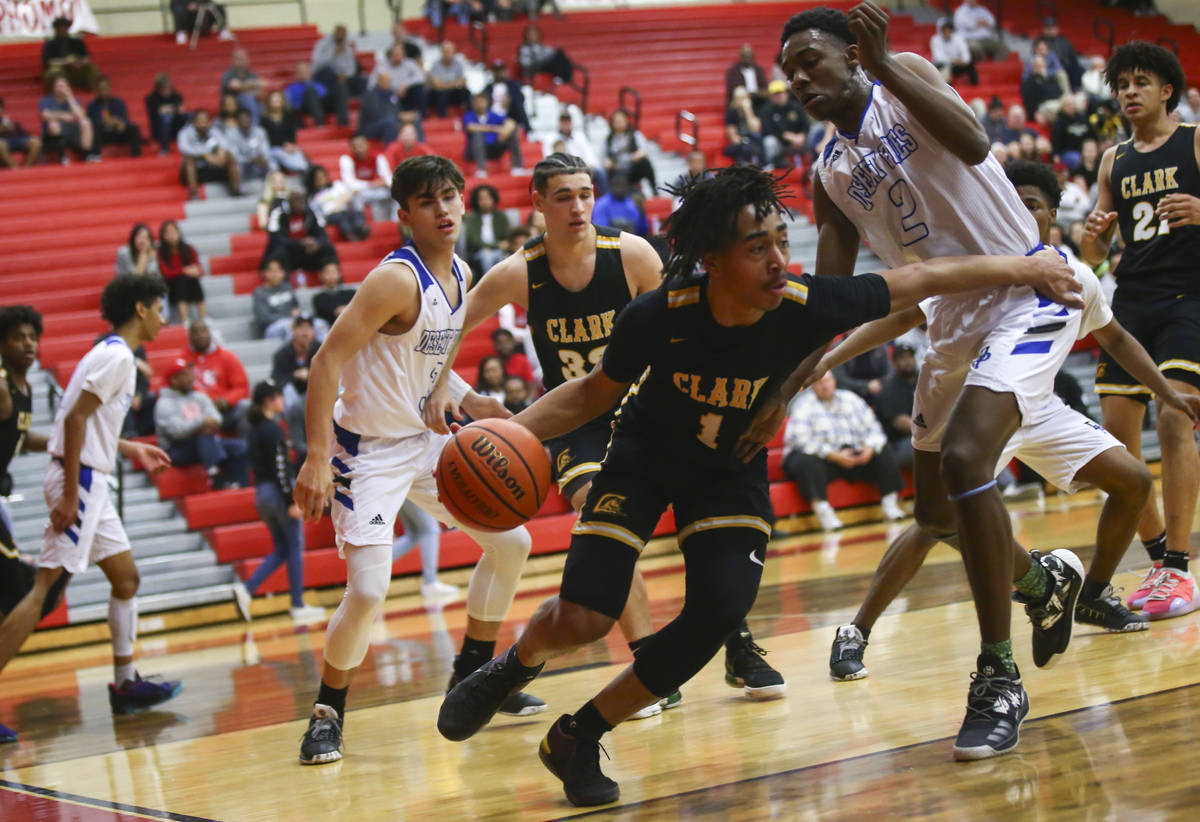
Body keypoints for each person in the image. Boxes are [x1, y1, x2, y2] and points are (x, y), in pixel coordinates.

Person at [436, 164, 1082, 804]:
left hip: (727, 468)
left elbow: (921, 278)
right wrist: (506, 435)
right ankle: (513, 665)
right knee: (583, 615)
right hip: (644, 455)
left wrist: (1029, 268)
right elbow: (591, 394)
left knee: (718, 611)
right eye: (758, 248)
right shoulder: (658, 313)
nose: (779, 259)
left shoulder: (804, 301)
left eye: (780, 239)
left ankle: (579, 734)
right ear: (712, 260)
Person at [767, 4, 1089, 760]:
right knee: (938, 513)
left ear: (852, 53)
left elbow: (977, 143)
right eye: (788, 74)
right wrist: (781, 380)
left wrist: (885, 66)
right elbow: (834, 297)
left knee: (971, 462)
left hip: (1027, 291)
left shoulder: (902, 75)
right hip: (948, 323)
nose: (799, 79)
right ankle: (1043, 588)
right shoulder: (831, 173)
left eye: (811, 60)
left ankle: (997, 677)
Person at [428, 153, 782, 729]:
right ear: (538, 204)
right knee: (601, 514)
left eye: (586, 194)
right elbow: (452, 326)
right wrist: (447, 386)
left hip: (652, 408)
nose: (578, 207)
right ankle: (649, 662)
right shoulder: (520, 271)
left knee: (706, 528)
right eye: (563, 196)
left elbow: (695, 319)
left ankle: (738, 646)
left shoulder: (634, 254)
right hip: (579, 421)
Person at [823, 158, 1200, 682]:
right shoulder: (973, 270)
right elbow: (899, 318)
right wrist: (826, 359)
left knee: (1134, 481)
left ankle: (1088, 596)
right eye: (1012, 202)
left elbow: (1115, 338)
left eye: (1033, 204)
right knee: (934, 522)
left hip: (1038, 407)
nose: (1021, 211)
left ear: (1049, 215)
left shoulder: (1077, 275)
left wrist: (1167, 392)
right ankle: (858, 629)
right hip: (978, 406)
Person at [291, 155, 541, 766]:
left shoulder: (459, 270)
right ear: (405, 215)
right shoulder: (395, 281)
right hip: (368, 453)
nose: (447, 208)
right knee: (371, 589)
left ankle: (475, 676)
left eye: (453, 195)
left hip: (423, 445)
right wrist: (317, 457)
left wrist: (468, 397)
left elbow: (423, 360)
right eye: (430, 201)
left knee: (513, 543)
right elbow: (326, 363)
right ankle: (327, 714)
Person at [0, 275, 182, 726]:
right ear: (140, 309)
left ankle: (125, 684)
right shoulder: (119, 355)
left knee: (127, 579)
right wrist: (68, 496)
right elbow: (77, 420)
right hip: (79, 481)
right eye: (160, 308)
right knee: (42, 593)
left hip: (88, 478)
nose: (164, 317)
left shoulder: (107, 350)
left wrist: (129, 447)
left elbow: (76, 419)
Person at [1081, 42, 1200, 620]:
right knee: (1116, 434)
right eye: (1121, 83)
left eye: (1140, 82)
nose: (1129, 92)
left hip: (1190, 300)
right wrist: (1094, 236)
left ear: (1166, 90)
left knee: (1176, 415)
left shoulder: (1196, 141)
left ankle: (1179, 565)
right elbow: (1097, 252)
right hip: (1133, 302)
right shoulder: (1112, 160)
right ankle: (1157, 559)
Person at [0, 306, 69, 742]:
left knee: (26, 597)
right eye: (18, 337)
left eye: (33, 336)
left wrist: (75, 443)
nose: (28, 343)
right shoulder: (2, 387)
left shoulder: (21, 389)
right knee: (29, 593)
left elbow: (20, 438)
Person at [232, 381, 324, 623]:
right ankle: (297, 604)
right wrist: (291, 500)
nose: (283, 401)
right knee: (294, 546)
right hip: (276, 494)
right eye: (280, 397)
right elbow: (281, 469)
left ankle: (247, 589)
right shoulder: (272, 430)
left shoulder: (254, 429)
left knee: (282, 548)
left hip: (261, 494)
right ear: (270, 400)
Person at [783, 371, 906, 530]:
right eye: (819, 382)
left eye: (827, 381)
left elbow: (875, 430)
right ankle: (824, 512)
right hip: (825, 459)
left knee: (883, 449)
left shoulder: (851, 398)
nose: (824, 385)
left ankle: (890, 504)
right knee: (803, 460)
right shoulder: (803, 404)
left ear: (834, 381)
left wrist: (868, 448)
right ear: (812, 385)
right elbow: (800, 440)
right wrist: (833, 455)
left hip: (855, 456)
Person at [154, 358, 250, 489]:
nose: (189, 378)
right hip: (176, 449)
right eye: (184, 375)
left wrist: (207, 423)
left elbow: (216, 417)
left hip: (207, 442)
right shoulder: (164, 403)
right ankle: (214, 476)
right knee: (204, 435)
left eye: (189, 373)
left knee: (241, 447)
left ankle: (239, 485)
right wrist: (202, 422)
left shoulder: (199, 396)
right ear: (174, 380)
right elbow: (177, 432)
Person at [184, 319, 249, 433]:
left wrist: (226, 400)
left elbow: (241, 387)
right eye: (196, 332)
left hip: (224, 409)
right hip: (197, 412)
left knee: (246, 406)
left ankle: (246, 449)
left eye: (204, 331)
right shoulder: (182, 361)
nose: (201, 335)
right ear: (190, 336)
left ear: (210, 333)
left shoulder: (227, 357)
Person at [264, 190, 340, 285]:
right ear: (289, 201)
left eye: (301, 200)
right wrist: (300, 242)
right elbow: (276, 238)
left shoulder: (312, 211)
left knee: (328, 248)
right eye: (295, 200)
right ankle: (282, 286)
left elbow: (323, 234)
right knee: (278, 252)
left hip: (309, 251)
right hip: (289, 252)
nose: (299, 203)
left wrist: (317, 243)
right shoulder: (279, 212)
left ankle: (334, 282)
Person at [391, 499, 457, 599]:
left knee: (414, 534)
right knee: (430, 531)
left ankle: (371, 567)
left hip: (400, 487)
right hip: (412, 485)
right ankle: (430, 582)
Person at [870, 342, 919, 470]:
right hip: (896, 444)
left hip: (920, 435)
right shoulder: (889, 388)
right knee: (928, 447)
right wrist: (934, 433)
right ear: (894, 364)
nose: (908, 361)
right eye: (902, 358)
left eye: (910, 357)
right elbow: (902, 424)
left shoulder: (923, 379)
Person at [178, 110, 239, 199]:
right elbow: (184, 148)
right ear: (195, 122)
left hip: (214, 166)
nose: (204, 124)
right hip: (197, 169)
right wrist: (204, 155)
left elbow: (226, 145)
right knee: (189, 159)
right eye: (201, 122)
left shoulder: (214, 131)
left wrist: (221, 152)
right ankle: (194, 193)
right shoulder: (185, 133)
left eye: (206, 121)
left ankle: (235, 190)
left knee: (230, 156)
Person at [463, 92, 524, 178]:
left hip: (492, 148)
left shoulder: (493, 115)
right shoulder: (469, 115)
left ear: (487, 102)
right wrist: (495, 129)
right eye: (478, 102)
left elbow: (511, 123)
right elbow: (471, 127)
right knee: (477, 134)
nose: (480, 104)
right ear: (473, 104)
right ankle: (481, 170)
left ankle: (517, 167)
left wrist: (504, 131)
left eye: (482, 101)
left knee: (512, 134)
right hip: (473, 151)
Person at [310, 24, 358, 126]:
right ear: (334, 33)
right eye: (339, 33)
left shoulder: (348, 48)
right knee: (328, 72)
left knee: (344, 87)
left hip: (340, 81)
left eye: (343, 34)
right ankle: (319, 121)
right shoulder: (322, 44)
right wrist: (333, 54)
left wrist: (345, 75)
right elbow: (316, 64)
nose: (341, 36)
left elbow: (352, 69)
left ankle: (343, 122)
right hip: (323, 78)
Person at [307, 164, 369, 243]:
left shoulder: (336, 185)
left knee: (355, 213)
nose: (321, 180)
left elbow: (347, 195)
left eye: (323, 177)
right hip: (329, 215)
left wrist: (339, 204)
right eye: (318, 178)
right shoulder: (313, 197)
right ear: (313, 181)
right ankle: (349, 234)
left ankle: (360, 227)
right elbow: (316, 212)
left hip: (342, 209)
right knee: (340, 217)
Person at [158, 220, 205, 322]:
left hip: (189, 283)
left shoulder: (188, 249)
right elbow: (166, 273)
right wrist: (183, 270)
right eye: (168, 233)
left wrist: (193, 271)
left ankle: (203, 317)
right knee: (180, 280)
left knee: (193, 280)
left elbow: (199, 269)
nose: (171, 235)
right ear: (163, 236)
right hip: (172, 287)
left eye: (173, 232)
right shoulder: (161, 252)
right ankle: (184, 319)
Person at [40, 76, 95, 162]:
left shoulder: (74, 99)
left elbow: (81, 115)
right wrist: (63, 116)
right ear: (54, 88)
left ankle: (87, 155)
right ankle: (62, 156)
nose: (61, 89)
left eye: (63, 86)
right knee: (53, 125)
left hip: (72, 130)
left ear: (68, 88)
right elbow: (45, 115)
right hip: (54, 133)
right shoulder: (46, 100)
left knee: (86, 123)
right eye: (58, 86)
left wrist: (70, 97)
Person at [758, 80, 811, 169]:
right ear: (771, 96)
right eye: (776, 94)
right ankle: (773, 164)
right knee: (769, 141)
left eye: (781, 93)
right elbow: (767, 130)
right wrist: (787, 136)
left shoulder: (795, 106)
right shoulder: (767, 110)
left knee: (815, 131)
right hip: (780, 142)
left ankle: (814, 162)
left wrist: (802, 135)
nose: (779, 96)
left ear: (786, 93)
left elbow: (806, 123)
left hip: (799, 139)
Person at [339, 134, 394, 218]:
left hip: (377, 191)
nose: (358, 149)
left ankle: (396, 223)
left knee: (396, 192)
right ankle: (359, 223)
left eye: (361, 145)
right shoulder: (346, 159)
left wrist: (384, 183)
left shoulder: (378, 157)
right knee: (352, 195)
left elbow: (388, 178)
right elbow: (349, 183)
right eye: (355, 146)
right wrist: (371, 184)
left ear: (367, 144)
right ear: (351, 148)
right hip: (361, 192)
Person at [86, 76, 142, 157]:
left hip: (117, 132)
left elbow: (125, 119)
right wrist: (106, 122)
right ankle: (96, 156)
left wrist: (119, 122)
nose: (103, 92)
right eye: (101, 89)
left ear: (110, 89)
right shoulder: (92, 105)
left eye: (105, 88)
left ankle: (136, 155)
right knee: (95, 131)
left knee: (134, 128)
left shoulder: (119, 102)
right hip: (103, 134)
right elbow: (92, 122)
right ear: (97, 91)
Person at [603, 109, 655, 195]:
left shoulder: (635, 135)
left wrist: (636, 156)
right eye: (616, 122)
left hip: (632, 168)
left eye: (621, 121)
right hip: (617, 170)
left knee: (646, 163)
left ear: (626, 121)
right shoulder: (609, 139)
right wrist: (608, 163)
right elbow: (603, 159)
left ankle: (654, 189)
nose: (619, 124)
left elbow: (644, 150)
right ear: (612, 124)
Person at [370, 45, 427, 120]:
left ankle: (420, 115)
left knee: (418, 88)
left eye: (400, 55)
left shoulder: (410, 64)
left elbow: (420, 78)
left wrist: (405, 85)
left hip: (406, 93)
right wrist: (391, 89)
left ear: (404, 55)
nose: (398, 57)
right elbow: (371, 84)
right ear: (390, 55)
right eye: (395, 55)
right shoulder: (381, 67)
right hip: (390, 94)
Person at [42, 16, 99, 90]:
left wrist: (80, 63)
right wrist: (67, 62)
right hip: (61, 69)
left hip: (76, 69)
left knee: (92, 68)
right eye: (60, 28)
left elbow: (87, 58)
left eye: (65, 27)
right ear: (56, 29)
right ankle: (60, 91)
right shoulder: (49, 44)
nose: (63, 30)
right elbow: (49, 62)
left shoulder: (77, 42)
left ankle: (95, 90)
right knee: (55, 71)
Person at [260, 91, 309, 174]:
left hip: (287, 148)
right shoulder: (263, 119)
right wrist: (283, 145)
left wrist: (291, 145)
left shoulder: (289, 117)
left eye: (278, 99)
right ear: (269, 102)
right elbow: (264, 138)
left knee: (302, 162)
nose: (276, 102)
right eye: (274, 100)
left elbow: (292, 134)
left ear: (283, 101)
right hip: (271, 149)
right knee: (274, 164)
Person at [253, 258, 300, 340]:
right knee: (290, 327)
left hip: (291, 321)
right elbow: (264, 319)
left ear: (283, 273)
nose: (275, 274)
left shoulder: (288, 287)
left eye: (278, 271)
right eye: (272, 271)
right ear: (265, 273)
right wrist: (288, 316)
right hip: (271, 328)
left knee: (318, 324)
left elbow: (295, 307)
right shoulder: (260, 293)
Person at [592, 174, 650, 238]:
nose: (619, 189)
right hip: (609, 243)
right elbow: (600, 232)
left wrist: (642, 215)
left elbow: (643, 232)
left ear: (627, 187)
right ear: (611, 187)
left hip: (631, 242)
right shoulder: (601, 204)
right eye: (617, 185)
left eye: (622, 185)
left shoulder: (633, 205)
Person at [483, 59, 531, 134]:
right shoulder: (488, 88)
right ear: (493, 72)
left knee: (518, 105)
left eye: (501, 70)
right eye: (497, 71)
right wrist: (490, 102)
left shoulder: (513, 85)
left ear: (505, 71)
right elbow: (482, 100)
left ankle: (526, 130)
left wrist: (510, 100)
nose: (499, 73)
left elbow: (521, 99)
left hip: (509, 115)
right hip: (492, 115)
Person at [144, 74, 187, 156]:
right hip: (159, 128)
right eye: (163, 88)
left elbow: (181, 110)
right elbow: (158, 113)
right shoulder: (151, 98)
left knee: (190, 116)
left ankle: (190, 143)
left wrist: (167, 110)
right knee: (166, 118)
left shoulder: (176, 96)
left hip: (176, 125)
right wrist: (174, 110)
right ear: (158, 88)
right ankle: (164, 148)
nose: (165, 91)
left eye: (167, 88)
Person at [724, 86, 767, 166]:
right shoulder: (731, 113)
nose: (741, 101)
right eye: (739, 98)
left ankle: (762, 164)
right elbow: (733, 137)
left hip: (753, 140)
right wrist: (745, 141)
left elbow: (755, 129)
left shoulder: (754, 110)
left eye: (744, 98)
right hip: (740, 143)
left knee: (758, 138)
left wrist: (748, 111)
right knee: (744, 147)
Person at [225, 107, 270, 182]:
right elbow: (234, 156)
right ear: (237, 121)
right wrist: (249, 160)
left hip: (259, 164)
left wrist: (263, 158)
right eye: (242, 119)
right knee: (235, 166)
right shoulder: (231, 133)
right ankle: (237, 192)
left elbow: (266, 151)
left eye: (247, 118)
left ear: (251, 119)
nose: (245, 121)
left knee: (272, 163)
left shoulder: (260, 131)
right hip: (243, 166)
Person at [359, 71, 403, 144]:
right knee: (390, 122)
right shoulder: (370, 94)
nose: (388, 82)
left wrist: (403, 116)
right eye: (385, 80)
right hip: (370, 127)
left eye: (389, 80)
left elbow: (398, 110)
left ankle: (421, 150)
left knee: (414, 119)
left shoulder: (392, 94)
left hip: (391, 121)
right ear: (378, 82)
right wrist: (398, 116)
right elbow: (374, 114)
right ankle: (390, 151)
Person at [220, 48, 263, 124]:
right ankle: (254, 128)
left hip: (252, 104)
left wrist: (245, 86)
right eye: (239, 58)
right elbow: (234, 86)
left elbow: (259, 91)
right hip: (232, 105)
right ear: (233, 60)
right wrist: (252, 85)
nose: (242, 61)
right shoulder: (228, 74)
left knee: (265, 106)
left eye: (244, 58)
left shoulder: (252, 74)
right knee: (247, 97)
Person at [428, 41, 470, 118]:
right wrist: (455, 83)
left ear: (454, 52)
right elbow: (437, 85)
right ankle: (443, 117)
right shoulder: (435, 65)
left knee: (466, 91)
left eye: (450, 52)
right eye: (445, 52)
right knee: (441, 93)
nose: (447, 54)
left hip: (452, 93)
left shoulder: (458, 64)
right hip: (439, 95)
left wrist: (445, 84)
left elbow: (464, 81)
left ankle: (469, 115)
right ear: (442, 53)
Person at [285, 62, 334, 127]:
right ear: (296, 74)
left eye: (305, 71)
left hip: (319, 108)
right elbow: (288, 106)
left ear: (310, 72)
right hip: (302, 109)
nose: (303, 74)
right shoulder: (290, 88)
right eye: (300, 72)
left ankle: (343, 123)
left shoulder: (319, 85)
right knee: (310, 90)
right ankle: (320, 123)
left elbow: (325, 100)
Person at [929, 20, 977, 86]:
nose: (947, 32)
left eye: (949, 30)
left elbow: (966, 54)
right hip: (944, 65)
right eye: (945, 30)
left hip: (957, 65)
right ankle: (947, 88)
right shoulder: (935, 40)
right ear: (941, 31)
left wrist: (963, 60)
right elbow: (938, 57)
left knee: (971, 64)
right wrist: (953, 60)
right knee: (943, 67)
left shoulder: (959, 38)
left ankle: (975, 86)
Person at [0, 97, 43, 168]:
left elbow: (25, 134)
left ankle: (27, 168)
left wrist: (13, 127)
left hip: (18, 139)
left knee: (36, 142)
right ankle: (15, 168)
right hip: (3, 142)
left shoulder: (10, 121)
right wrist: (2, 129)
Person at [311, 263, 356, 328]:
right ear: (321, 275)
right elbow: (320, 317)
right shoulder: (318, 298)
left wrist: (346, 309)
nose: (331, 276)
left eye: (334, 272)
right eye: (328, 273)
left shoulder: (350, 293)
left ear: (339, 274)